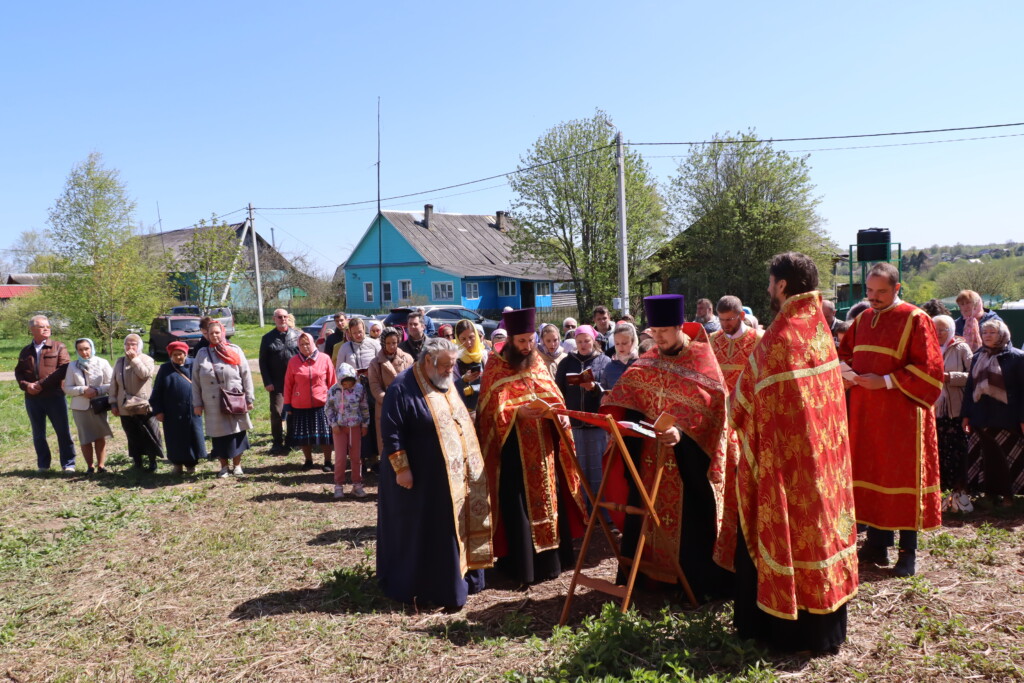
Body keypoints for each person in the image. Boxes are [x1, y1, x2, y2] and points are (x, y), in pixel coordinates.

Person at [715, 252, 857, 654]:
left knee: (791, 533)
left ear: (781, 285)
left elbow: (742, 402)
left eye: (770, 281)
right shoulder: (818, 331)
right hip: (823, 462)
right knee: (821, 530)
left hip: (787, 466)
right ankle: (825, 627)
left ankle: (783, 631)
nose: (766, 288)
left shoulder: (779, 335)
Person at [601, 294, 734, 601]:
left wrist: (682, 435)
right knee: (646, 518)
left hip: (687, 467)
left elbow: (713, 415)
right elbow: (628, 396)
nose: (657, 338)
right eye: (653, 333)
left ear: (679, 326)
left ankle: (688, 582)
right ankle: (647, 579)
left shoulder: (703, 361)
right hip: (649, 462)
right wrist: (614, 409)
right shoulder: (648, 361)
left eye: (663, 332)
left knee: (689, 525)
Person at [839, 262, 944, 577]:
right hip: (865, 415)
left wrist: (885, 381)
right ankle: (876, 543)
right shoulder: (862, 319)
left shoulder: (915, 318)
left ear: (897, 288)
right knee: (870, 475)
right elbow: (844, 355)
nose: (873, 297)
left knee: (900, 479)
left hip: (902, 420)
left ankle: (907, 552)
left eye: (881, 292)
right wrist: (846, 375)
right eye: (869, 291)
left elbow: (931, 370)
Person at [378, 337, 493, 608]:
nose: (449, 371)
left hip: (452, 480)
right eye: (445, 365)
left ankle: (465, 577)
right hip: (420, 479)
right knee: (425, 532)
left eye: (452, 365)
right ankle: (428, 587)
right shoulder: (402, 387)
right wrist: (402, 470)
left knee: (452, 530)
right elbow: (391, 432)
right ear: (428, 361)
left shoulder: (444, 381)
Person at [477, 307, 586, 585]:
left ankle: (553, 563)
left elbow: (555, 396)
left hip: (544, 447)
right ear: (511, 340)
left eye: (530, 340)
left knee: (550, 498)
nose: (527, 347)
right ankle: (522, 568)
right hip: (512, 451)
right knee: (518, 505)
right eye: (521, 341)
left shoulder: (537, 362)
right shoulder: (495, 365)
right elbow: (489, 409)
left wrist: (552, 410)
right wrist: (516, 412)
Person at [961, 320, 1024, 507]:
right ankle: (989, 493)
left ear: (1003, 334)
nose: (987, 335)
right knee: (987, 457)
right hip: (981, 416)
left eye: (992, 332)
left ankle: (1008, 496)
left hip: (1007, 418)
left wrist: (1022, 418)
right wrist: (966, 415)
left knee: (1009, 458)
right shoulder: (978, 356)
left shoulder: (1017, 358)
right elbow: (970, 388)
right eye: (985, 332)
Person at [555, 324, 611, 504]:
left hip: (597, 423)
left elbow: (609, 393)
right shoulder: (566, 362)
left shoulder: (604, 361)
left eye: (586, 341)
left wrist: (595, 389)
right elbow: (558, 390)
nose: (583, 344)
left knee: (599, 470)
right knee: (578, 470)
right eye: (579, 341)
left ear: (593, 340)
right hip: (574, 423)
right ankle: (583, 512)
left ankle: (602, 512)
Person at [193, 320, 255, 478]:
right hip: (212, 402)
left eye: (217, 332)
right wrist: (197, 404)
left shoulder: (234, 350)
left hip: (234, 399)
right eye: (211, 333)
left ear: (223, 333)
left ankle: (238, 465)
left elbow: (246, 375)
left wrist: (249, 398)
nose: (214, 336)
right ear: (207, 334)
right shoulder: (202, 354)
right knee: (219, 436)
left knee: (237, 432)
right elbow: (196, 381)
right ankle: (223, 467)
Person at [16, 315, 77, 472]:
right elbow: (19, 372)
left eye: (48, 326)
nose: (47, 329)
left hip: (54, 396)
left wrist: (41, 384)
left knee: (63, 431)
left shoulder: (58, 347)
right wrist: (26, 385)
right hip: (32, 398)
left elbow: (63, 369)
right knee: (38, 433)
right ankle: (43, 465)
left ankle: (68, 464)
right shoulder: (25, 351)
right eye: (42, 326)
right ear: (32, 330)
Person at [932, 315, 974, 510]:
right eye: (935, 328)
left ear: (950, 329)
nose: (939, 333)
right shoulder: (927, 346)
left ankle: (959, 492)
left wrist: (950, 377)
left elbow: (973, 375)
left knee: (956, 450)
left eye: (943, 329)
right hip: (933, 408)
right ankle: (938, 493)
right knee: (937, 450)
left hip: (954, 409)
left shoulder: (960, 348)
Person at [151, 340, 207, 474]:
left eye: (180, 354)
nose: (178, 357)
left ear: (186, 353)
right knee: (175, 439)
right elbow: (157, 391)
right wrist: (158, 410)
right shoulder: (165, 368)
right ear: (170, 355)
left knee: (192, 436)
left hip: (192, 410)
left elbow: (203, 384)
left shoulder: (194, 365)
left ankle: (191, 465)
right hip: (172, 412)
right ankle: (177, 464)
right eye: (175, 354)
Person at [110, 334, 164, 472]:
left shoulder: (148, 360)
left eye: (133, 344)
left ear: (139, 346)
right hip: (124, 405)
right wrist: (113, 403)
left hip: (143, 404)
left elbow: (145, 374)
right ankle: (137, 462)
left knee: (150, 432)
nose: (130, 347)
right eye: (128, 344)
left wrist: (135, 360)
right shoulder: (120, 361)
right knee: (131, 433)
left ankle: (153, 461)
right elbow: (113, 384)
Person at [283, 332, 336, 472]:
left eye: (307, 343)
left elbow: (332, 382)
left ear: (313, 343)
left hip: (322, 404)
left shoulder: (324, 358)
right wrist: (287, 404)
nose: (305, 347)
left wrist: (334, 401)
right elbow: (288, 384)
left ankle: (328, 461)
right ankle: (308, 460)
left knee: (326, 436)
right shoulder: (293, 361)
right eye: (301, 344)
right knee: (304, 436)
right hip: (300, 405)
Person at [335, 318, 382, 465]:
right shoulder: (344, 348)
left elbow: (382, 364)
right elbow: (339, 370)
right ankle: (359, 459)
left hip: (372, 388)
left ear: (365, 330)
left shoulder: (374, 344)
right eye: (354, 333)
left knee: (373, 422)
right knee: (357, 423)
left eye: (360, 332)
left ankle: (374, 459)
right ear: (349, 332)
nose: (358, 335)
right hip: (353, 390)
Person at [64, 338, 113, 475]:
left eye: (86, 348)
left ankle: (101, 465)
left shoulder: (102, 363)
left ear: (91, 348)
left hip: (99, 405)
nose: (84, 352)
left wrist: (97, 390)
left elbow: (112, 384)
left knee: (100, 436)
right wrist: (82, 390)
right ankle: (90, 466)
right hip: (80, 407)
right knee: (85, 438)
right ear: (77, 351)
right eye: (80, 349)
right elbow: (67, 388)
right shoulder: (72, 366)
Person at [259, 308, 301, 455]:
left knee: (293, 412)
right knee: (277, 411)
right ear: (274, 319)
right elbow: (262, 362)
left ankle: (292, 440)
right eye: (279, 317)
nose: (282, 319)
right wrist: (267, 382)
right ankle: (277, 442)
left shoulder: (297, 336)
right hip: (276, 382)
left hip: (295, 382)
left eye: (284, 316)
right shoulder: (267, 338)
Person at [367, 327, 415, 456]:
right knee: (387, 439)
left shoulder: (408, 359)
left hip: (405, 404)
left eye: (394, 343)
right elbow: (375, 386)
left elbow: (413, 381)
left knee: (405, 438)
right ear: (383, 343)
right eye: (388, 343)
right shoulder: (375, 363)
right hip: (385, 406)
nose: (391, 346)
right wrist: (388, 399)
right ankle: (387, 469)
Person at [327, 363, 370, 498]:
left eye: (350, 382)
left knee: (356, 457)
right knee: (340, 458)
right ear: (340, 381)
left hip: (355, 427)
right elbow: (328, 408)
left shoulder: (359, 389)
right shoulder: (333, 391)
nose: (347, 385)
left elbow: (364, 406)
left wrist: (365, 424)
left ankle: (357, 484)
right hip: (339, 428)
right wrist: (333, 424)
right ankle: (338, 485)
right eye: (344, 383)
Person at [709, 295, 763, 394]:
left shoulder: (760, 339)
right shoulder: (712, 339)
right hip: (720, 405)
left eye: (729, 319)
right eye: (721, 319)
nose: (725, 325)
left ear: (742, 316)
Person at [453, 319, 488, 416]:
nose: (468, 342)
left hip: (483, 408)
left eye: (471, 337)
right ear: (457, 339)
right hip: (463, 410)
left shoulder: (484, 355)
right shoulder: (454, 359)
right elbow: (450, 387)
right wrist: (464, 379)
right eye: (463, 339)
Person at [604, 322, 639, 391]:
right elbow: (603, 389)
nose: (620, 347)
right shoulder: (609, 367)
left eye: (624, 343)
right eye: (617, 343)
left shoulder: (641, 364)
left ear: (633, 341)